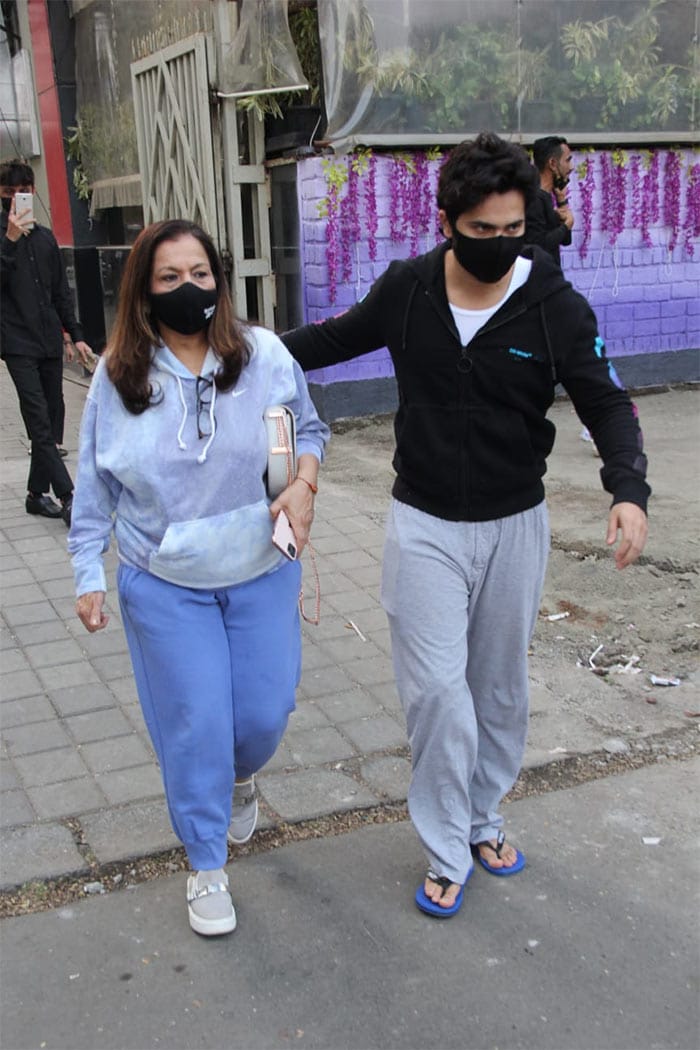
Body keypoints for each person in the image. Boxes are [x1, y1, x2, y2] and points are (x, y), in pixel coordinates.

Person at [282, 133, 649, 918]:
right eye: (480, 230)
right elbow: (325, 343)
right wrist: (228, 352)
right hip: (424, 527)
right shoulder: (408, 288)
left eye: (512, 229)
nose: (497, 245)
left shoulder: (552, 302)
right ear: (448, 218)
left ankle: (484, 815)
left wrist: (628, 490)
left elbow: (607, 400)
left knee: (498, 691)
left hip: (516, 523)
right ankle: (448, 844)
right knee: (438, 696)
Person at [67, 219, 329, 937]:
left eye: (201, 274)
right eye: (170, 278)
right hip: (165, 581)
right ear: (144, 293)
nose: (191, 289)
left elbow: (306, 431)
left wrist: (302, 485)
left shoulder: (265, 355)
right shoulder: (121, 373)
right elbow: (93, 482)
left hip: (261, 567)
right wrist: (88, 568)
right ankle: (206, 862)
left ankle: (242, 778)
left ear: (220, 278)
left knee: (262, 719)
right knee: (198, 726)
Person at [0, 158, 93, 525]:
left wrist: (77, 335)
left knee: (54, 417)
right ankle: (69, 496)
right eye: (9, 193)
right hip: (15, 341)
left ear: (33, 192)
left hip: (49, 341)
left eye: (24, 191)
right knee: (38, 419)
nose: (18, 199)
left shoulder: (44, 237)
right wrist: (8, 240)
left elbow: (61, 292)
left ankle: (36, 494)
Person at [524, 136, 575, 268]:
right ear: (552, 163)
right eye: (567, 161)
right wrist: (565, 226)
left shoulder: (547, 196)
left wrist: (561, 201)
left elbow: (565, 240)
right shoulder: (534, 198)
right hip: (539, 283)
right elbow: (538, 245)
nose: (571, 167)